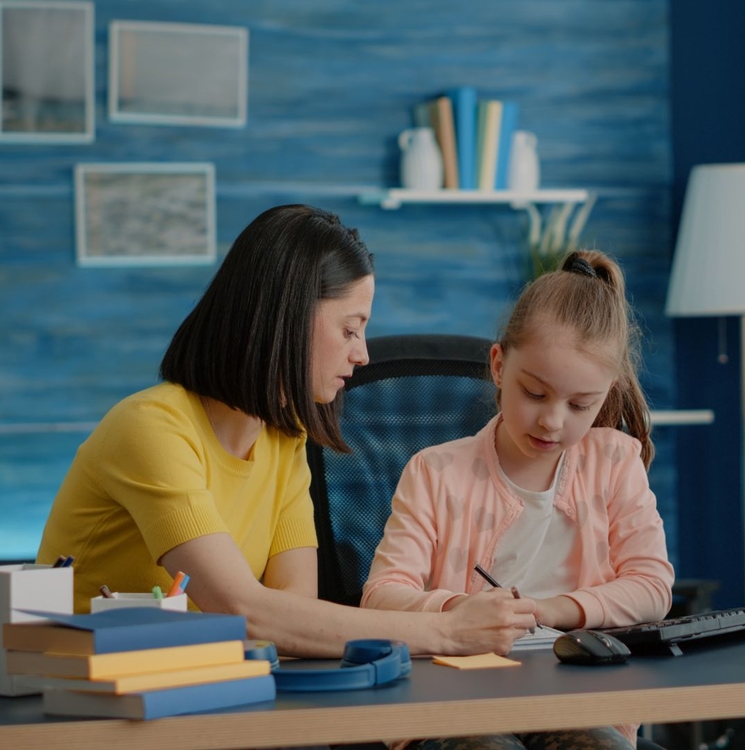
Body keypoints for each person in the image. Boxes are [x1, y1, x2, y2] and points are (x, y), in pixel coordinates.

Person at [36, 204, 536, 658]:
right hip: (93, 706)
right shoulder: (151, 429)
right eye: (349, 328)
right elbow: (245, 610)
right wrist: (446, 631)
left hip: (197, 693)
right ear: (289, 317)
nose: (362, 354)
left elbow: (292, 618)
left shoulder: (283, 438)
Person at [362, 250, 675, 750]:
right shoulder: (435, 471)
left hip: (578, 701)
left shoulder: (616, 462)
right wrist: (461, 610)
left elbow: (652, 587)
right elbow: (380, 596)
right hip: (457, 704)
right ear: (499, 366)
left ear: (607, 393)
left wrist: (551, 609)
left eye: (580, 405)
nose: (553, 421)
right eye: (535, 394)